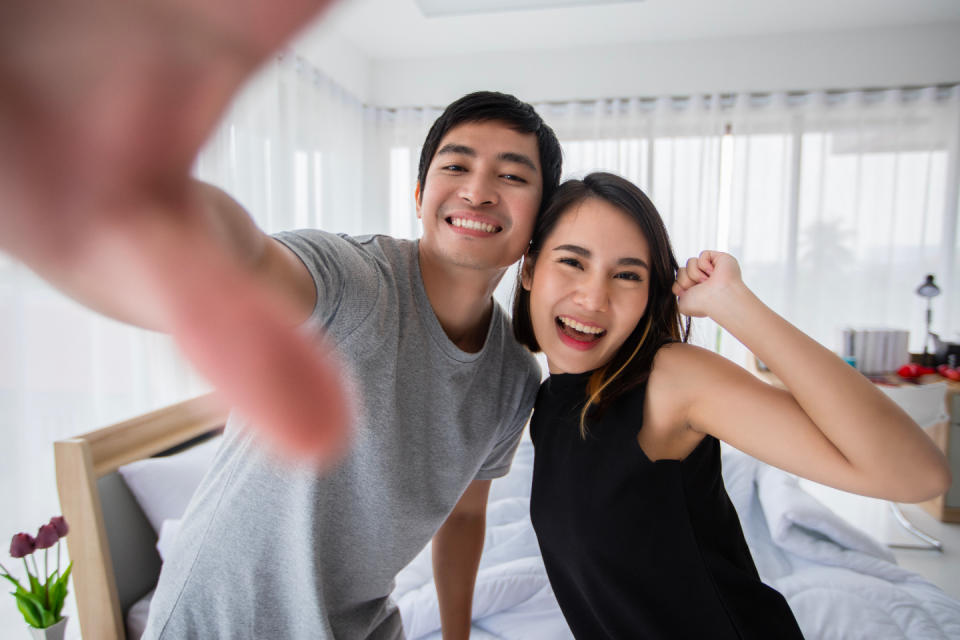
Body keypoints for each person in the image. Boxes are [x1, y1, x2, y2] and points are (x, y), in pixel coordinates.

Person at [1, 3, 565, 637]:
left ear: (539, 221)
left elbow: (464, 518)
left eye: (511, 176)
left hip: (360, 622)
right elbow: (251, 259)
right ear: (418, 194)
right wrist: (168, 212)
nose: (478, 190)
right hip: (220, 620)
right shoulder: (355, 278)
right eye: (455, 166)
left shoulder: (514, 378)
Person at [512, 172, 952, 639]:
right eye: (572, 262)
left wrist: (734, 305)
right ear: (529, 269)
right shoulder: (550, 403)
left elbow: (919, 476)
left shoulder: (671, 379)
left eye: (627, 275)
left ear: (650, 294)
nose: (593, 297)